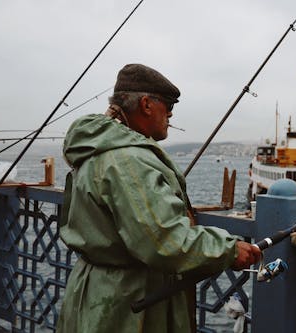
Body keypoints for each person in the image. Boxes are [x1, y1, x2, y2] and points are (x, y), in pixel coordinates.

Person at [56, 64, 261, 333]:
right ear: (146, 105)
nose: (172, 113)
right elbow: (163, 241)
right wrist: (229, 249)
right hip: (127, 304)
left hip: (92, 290)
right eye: (168, 105)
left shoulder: (94, 149)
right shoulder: (129, 160)